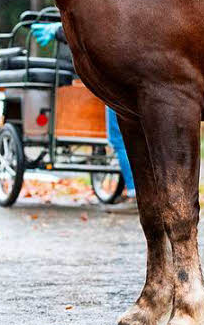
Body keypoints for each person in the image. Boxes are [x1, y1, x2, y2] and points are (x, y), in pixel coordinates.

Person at [31, 21, 136, 202]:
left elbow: (91, 30)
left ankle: (136, 193)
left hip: (116, 79)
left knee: (120, 140)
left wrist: (58, 29)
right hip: (132, 76)